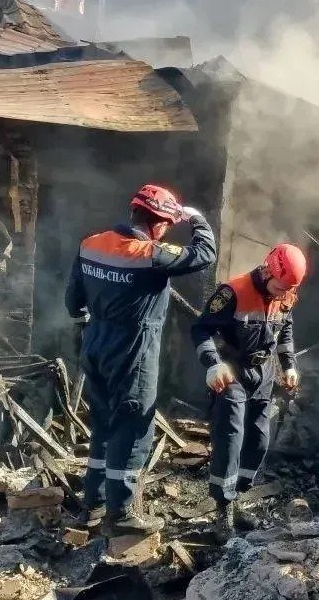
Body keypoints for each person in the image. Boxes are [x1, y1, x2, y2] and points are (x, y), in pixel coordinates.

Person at [65, 185, 216, 536]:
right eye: (167, 223)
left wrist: (87, 326)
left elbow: (74, 301)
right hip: (132, 349)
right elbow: (204, 254)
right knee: (133, 427)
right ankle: (120, 514)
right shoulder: (150, 254)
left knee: (103, 424)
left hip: (96, 343)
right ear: (160, 223)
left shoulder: (91, 243)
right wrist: (197, 219)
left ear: (133, 212)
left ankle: (93, 504)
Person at [192, 243, 306, 539]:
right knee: (231, 437)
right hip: (233, 372)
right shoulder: (233, 292)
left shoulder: (287, 293)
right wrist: (212, 364)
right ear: (269, 269)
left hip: (264, 373)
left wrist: (289, 365)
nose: (284, 294)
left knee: (259, 437)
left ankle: (240, 495)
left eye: (289, 290)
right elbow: (201, 329)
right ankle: (223, 510)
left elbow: (287, 328)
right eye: (281, 287)